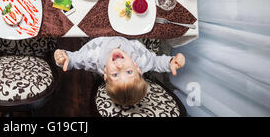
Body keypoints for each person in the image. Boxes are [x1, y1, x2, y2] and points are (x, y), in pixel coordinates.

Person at [54, 37, 185, 105]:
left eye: (115, 74)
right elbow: (155, 62)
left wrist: (66, 58)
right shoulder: (142, 59)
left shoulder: (92, 57)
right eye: (129, 72)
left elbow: (76, 59)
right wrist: (170, 62)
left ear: (105, 74)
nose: (120, 66)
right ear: (137, 68)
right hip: (130, 35)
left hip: (100, 35)